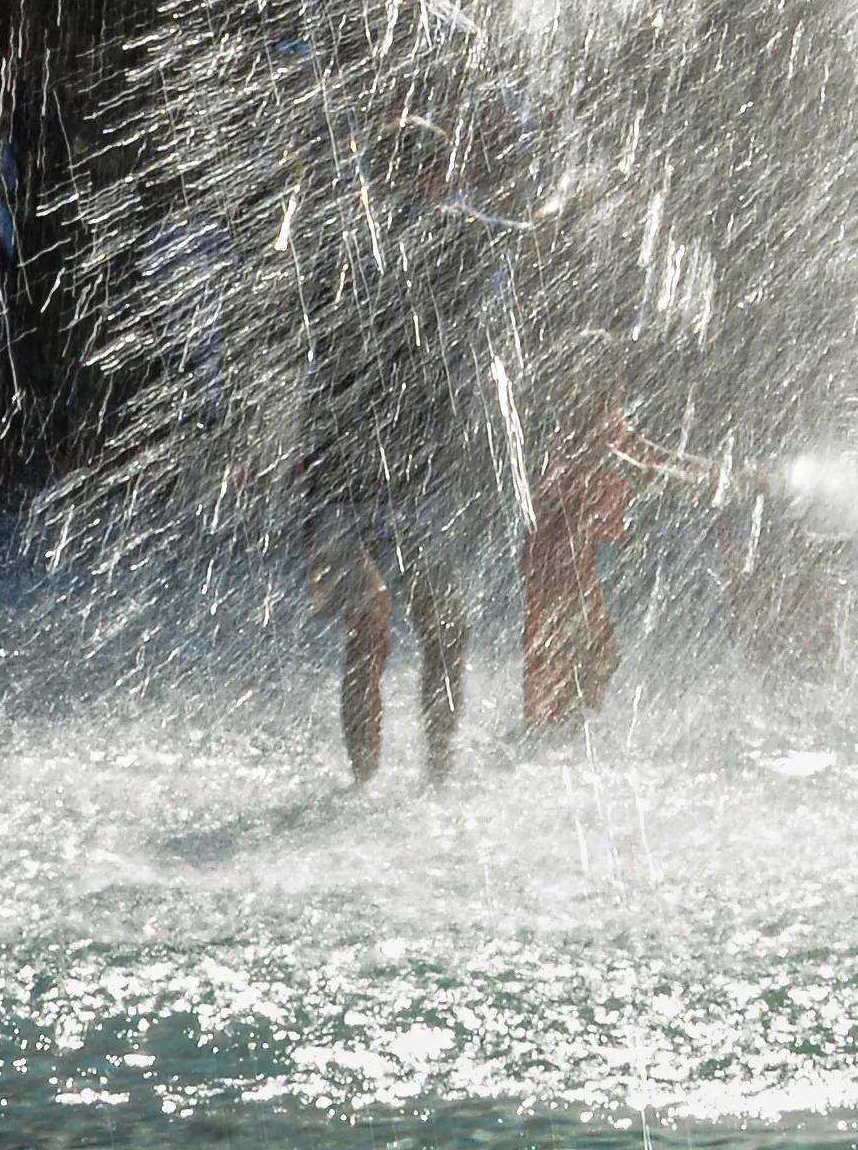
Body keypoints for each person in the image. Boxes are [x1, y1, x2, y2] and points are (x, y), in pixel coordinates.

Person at [297, 118, 494, 781]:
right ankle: (420, 774)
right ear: (429, 177)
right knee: (417, 627)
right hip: (380, 476)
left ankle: (380, 780)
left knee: (383, 628)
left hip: (359, 476)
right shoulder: (437, 237)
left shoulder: (346, 242)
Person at [519, 384, 715, 730]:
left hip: (567, 552)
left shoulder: (599, 427)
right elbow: (643, 470)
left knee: (588, 649)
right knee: (581, 648)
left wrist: (714, 473)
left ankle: (561, 727)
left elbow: (653, 456)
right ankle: (556, 729)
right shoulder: (585, 435)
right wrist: (713, 483)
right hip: (557, 555)